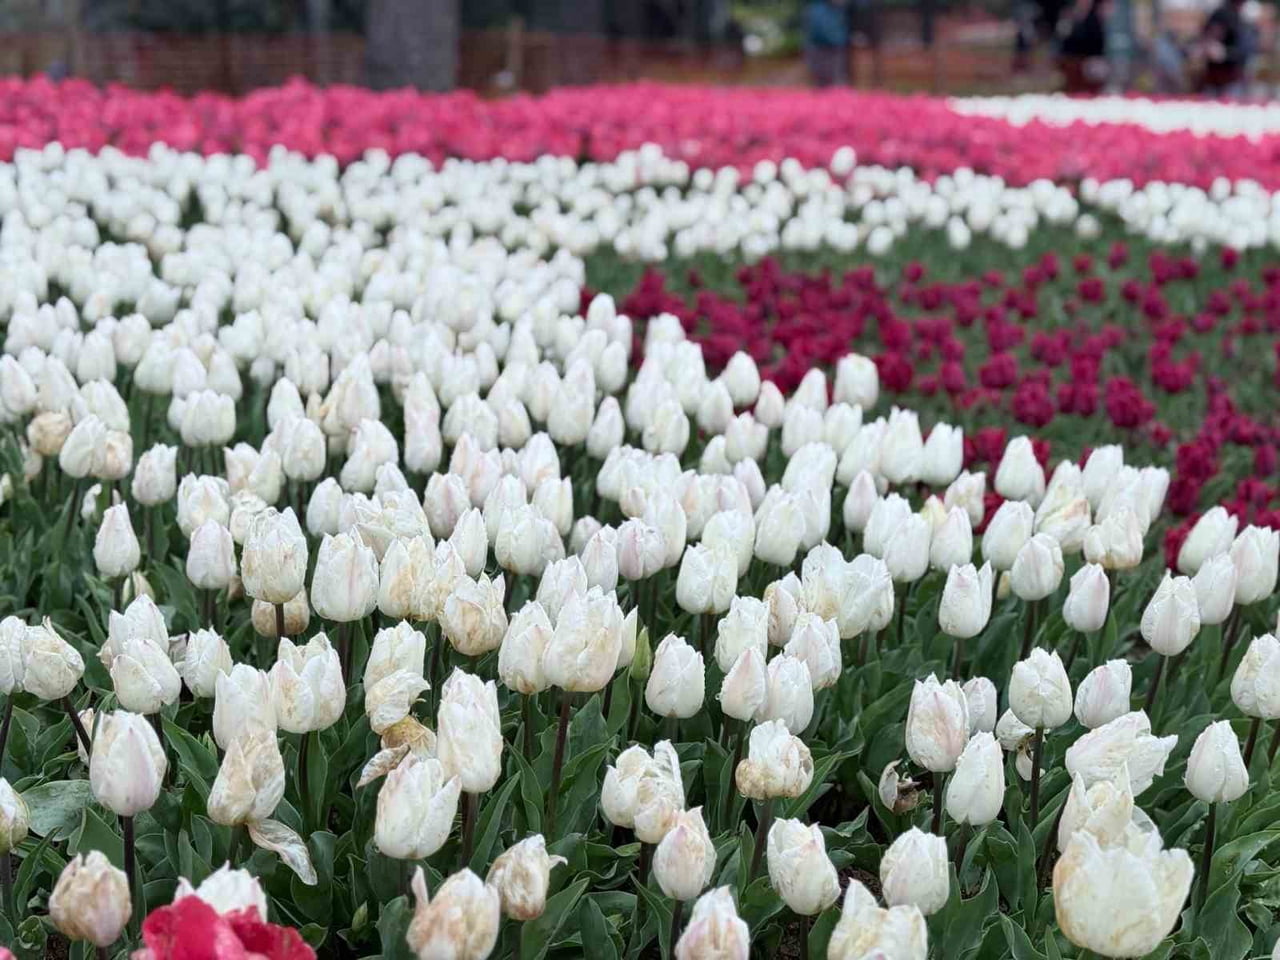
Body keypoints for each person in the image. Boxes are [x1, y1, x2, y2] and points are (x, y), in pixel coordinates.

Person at [1198, 0, 1249, 95]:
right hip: (1212, 79)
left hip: (1231, 79)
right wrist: (1204, 49)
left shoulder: (1239, 21)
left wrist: (1225, 53)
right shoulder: (1217, 15)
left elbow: (1244, 51)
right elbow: (1204, 37)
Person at [1058, 0, 1109, 92]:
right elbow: (1063, 34)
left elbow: (1099, 38)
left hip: (1092, 58)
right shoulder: (1069, 11)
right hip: (1071, 58)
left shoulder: (1096, 14)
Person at [805, 0, 850, 87]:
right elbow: (816, 31)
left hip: (836, 48)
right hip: (821, 48)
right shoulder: (817, 9)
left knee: (836, 78)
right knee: (822, 79)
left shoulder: (840, 9)